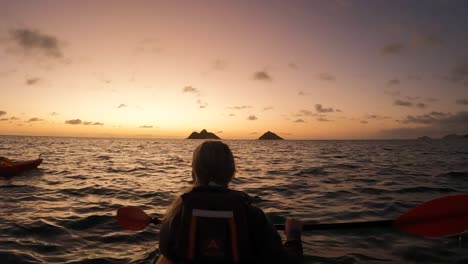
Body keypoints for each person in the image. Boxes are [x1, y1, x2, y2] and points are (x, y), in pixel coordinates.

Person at [157, 141, 303, 264]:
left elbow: (166, 249)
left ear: (193, 172)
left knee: (164, 259)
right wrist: (293, 236)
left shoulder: (177, 213)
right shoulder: (252, 215)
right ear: (232, 172)